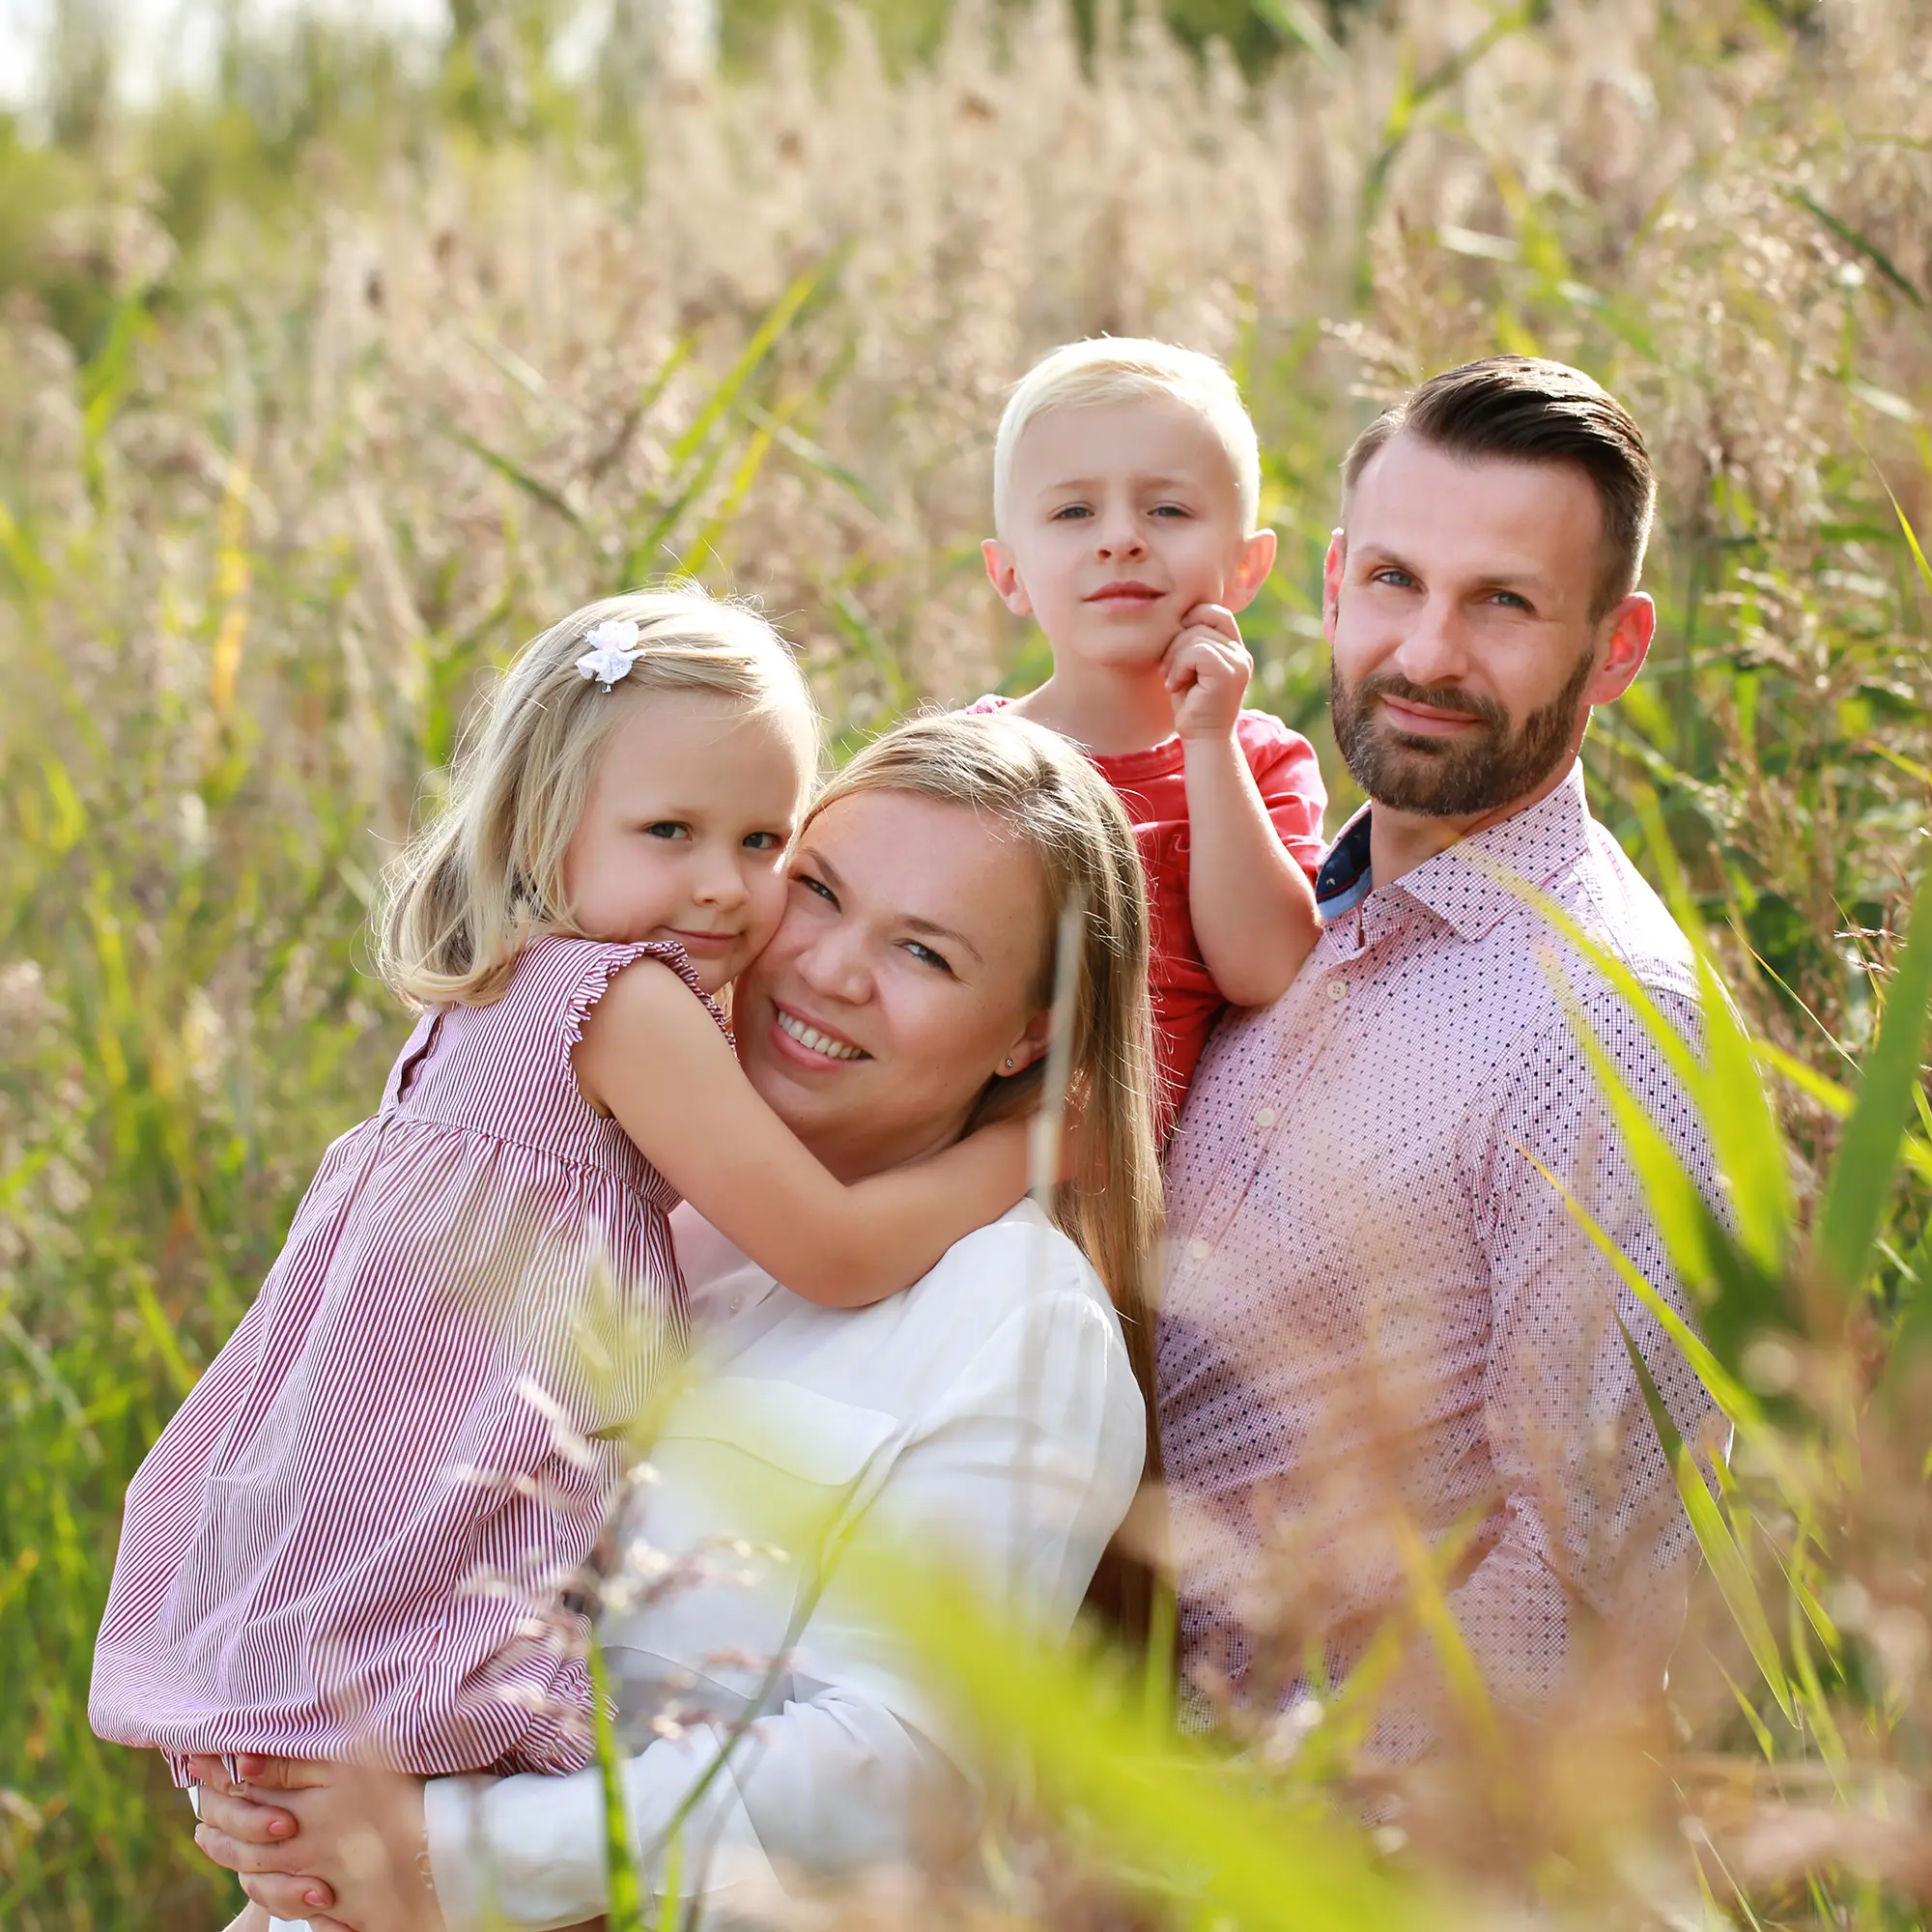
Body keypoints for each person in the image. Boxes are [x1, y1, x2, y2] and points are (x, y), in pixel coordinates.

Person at [183, 711, 1161, 1931]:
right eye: (814, 891)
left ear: (1029, 1029)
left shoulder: (1013, 1315)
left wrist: (450, 1847)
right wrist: (276, 1784)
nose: (828, 969)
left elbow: (909, 1768)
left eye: (925, 953)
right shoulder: (605, 1208)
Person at [91, 591, 1034, 1799]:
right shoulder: (620, 1000)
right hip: (442, 1531)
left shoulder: (491, 990)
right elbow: (836, 1250)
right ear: (547, 823)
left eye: (761, 842)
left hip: (338, 1525)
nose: (721, 888)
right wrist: (1035, 1150)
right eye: (669, 831)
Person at [1156, 357, 1723, 1754]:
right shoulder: (1255, 905)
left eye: (1505, 604)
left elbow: (1599, 1575)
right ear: (1336, 581)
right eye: (1397, 582)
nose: (1424, 656)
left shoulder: (1602, 1027)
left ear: (1621, 645)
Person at [973, 337, 1326, 1134]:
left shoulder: (1261, 761)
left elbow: (1264, 970)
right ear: (1010, 576)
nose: (1121, 538)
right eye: (1073, 512)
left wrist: (1208, 738)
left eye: (1167, 509)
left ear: (1247, 566)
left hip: (1162, 1207)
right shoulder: (972, 761)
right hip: (971, 1166)